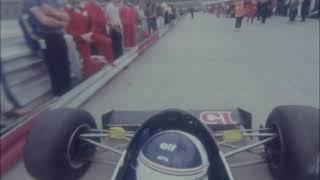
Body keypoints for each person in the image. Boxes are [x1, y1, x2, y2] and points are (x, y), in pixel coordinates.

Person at [22, 0, 72, 96]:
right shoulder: (32, 2)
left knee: (65, 65)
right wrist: (62, 22)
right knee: (55, 68)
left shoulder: (54, 1)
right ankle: (60, 94)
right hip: (46, 38)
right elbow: (44, 21)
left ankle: (69, 91)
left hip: (59, 36)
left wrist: (52, 12)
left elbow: (67, 17)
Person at [65, 0, 107, 78]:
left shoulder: (82, 9)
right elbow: (67, 29)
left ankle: (91, 72)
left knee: (89, 56)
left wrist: (90, 33)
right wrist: (81, 36)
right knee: (84, 58)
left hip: (87, 37)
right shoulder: (67, 11)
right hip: (76, 39)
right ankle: (86, 74)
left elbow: (90, 22)